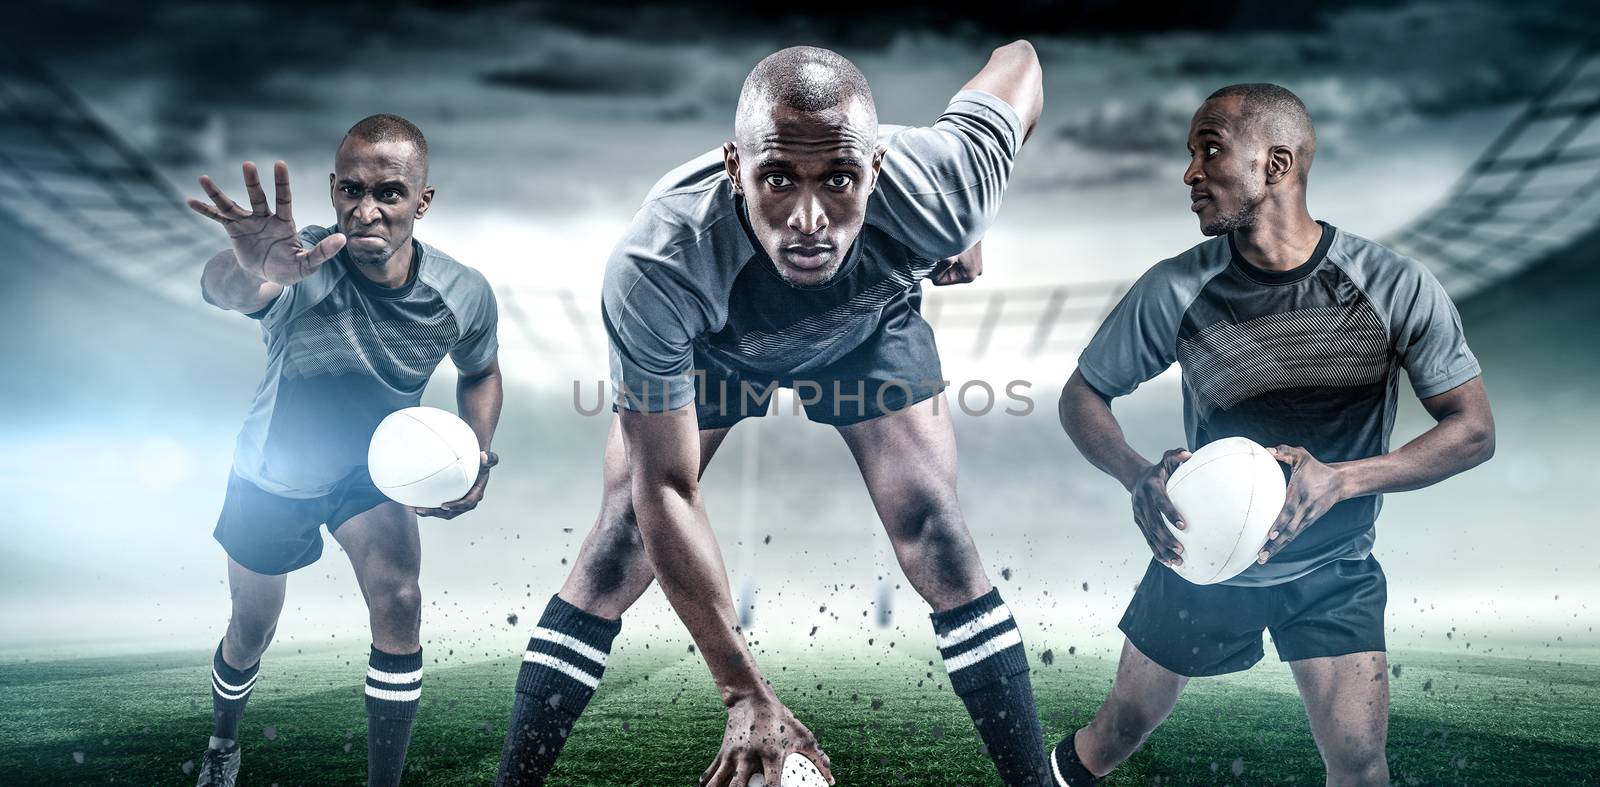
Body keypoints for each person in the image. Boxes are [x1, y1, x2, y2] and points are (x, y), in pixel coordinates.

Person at [496, 43, 1047, 787]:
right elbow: (666, 488)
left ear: (877, 168)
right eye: (778, 179)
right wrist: (744, 693)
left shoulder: (945, 187)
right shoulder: (658, 264)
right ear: (734, 168)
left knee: (938, 533)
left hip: (867, 327)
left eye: (840, 179)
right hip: (717, 345)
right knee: (622, 535)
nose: (809, 219)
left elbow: (1021, 60)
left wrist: (971, 223)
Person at [1047, 84, 1496, 787]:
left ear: (1277, 164)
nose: (1191, 172)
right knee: (1117, 730)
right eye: (1191, 153)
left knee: (1357, 760)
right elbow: (1083, 395)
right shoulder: (1174, 289)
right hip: (1199, 559)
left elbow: (1472, 430)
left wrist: (1346, 479)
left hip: (1332, 568)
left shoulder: (1392, 284)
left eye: (1211, 150)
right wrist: (1138, 474)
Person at [185, 114, 503, 787]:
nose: (366, 211)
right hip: (273, 473)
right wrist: (249, 267)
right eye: (351, 190)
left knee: (400, 601)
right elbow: (227, 291)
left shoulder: (462, 292)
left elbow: (480, 370)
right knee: (251, 630)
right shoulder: (300, 261)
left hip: (374, 474)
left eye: (388, 193)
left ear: (422, 200)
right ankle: (223, 741)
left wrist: (476, 448)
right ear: (332, 189)